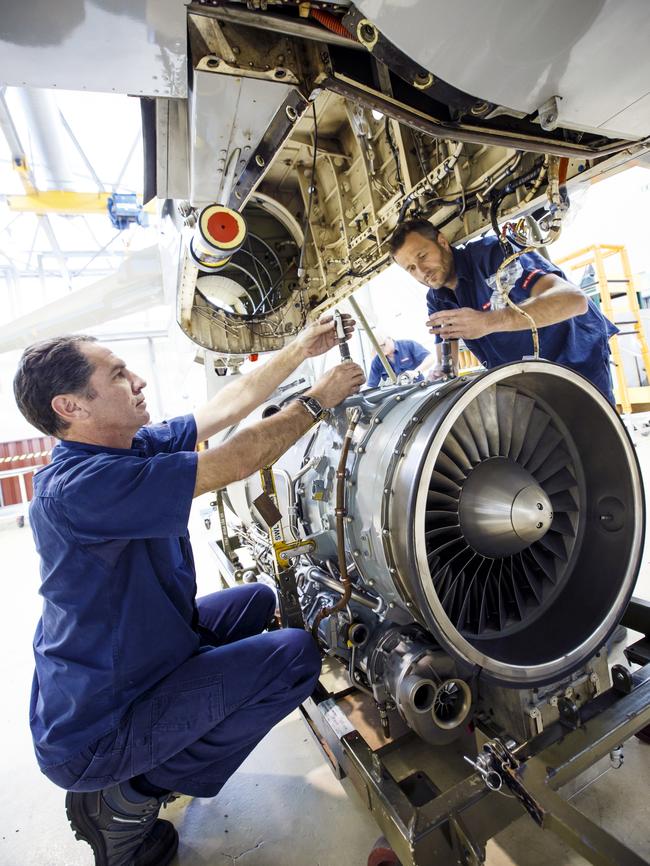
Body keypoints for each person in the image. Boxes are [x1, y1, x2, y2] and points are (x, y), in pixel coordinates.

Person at [13, 318, 365, 866]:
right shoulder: (80, 489)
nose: (138, 381)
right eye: (118, 374)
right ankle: (128, 799)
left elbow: (230, 404)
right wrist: (318, 401)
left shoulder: (126, 449)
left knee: (257, 600)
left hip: (139, 658)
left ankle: (177, 714)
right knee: (294, 655)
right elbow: (236, 459)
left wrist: (301, 348)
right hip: (100, 726)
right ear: (71, 407)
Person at [389, 219, 618, 402]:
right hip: (528, 384)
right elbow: (448, 363)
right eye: (411, 268)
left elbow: (573, 300)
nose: (421, 271)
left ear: (442, 241)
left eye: (422, 256)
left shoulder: (493, 255)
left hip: (575, 362)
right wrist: (441, 372)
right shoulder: (438, 300)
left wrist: (487, 322)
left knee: (595, 445)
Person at [367, 332, 437, 387]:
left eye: (383, 345)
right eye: (378, 348)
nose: (382, 349)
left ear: (389, 338)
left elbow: (430, 358)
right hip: (397, 399)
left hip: (419, 389)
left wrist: (416, 372)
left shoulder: (408, 345)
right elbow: (371, 386)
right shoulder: (377, 361)